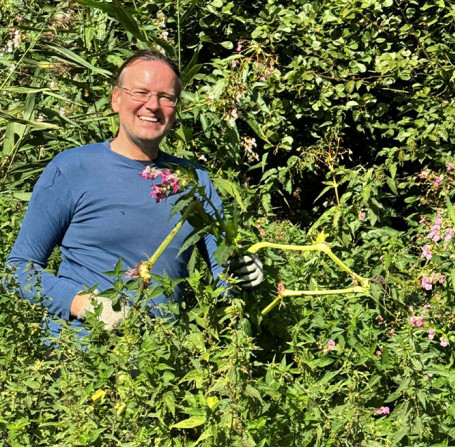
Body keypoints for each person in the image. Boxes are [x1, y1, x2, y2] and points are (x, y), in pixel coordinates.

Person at [6, 50, 263, 336]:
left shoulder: (192, 180)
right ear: (116, 98)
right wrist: (83, 305)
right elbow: (17, 270)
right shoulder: (73, 168)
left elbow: (222, 269)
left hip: (163, 364)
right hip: (78, 362)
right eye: (140, 92)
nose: (153, 105)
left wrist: (241, 273)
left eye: (166, 97)